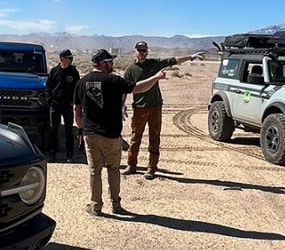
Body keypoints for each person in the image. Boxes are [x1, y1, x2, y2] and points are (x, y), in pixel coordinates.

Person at [74, 49, 163, 216]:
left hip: (90, 135)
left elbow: (77, 112)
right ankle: (116, 205)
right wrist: (156, 78)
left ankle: (96, 206)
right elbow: (138, 88)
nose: (112, 64)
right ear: (102, 63)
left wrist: (81, 128)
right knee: (113, 170)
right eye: (110, 61)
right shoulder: (114, 80)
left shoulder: (81, 82)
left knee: (94, 171)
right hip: (111, 136)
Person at [122, 41, 204, 179]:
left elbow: (174, 60)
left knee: (154, 138)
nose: (141, 53)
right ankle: (131, 165)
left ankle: (152, 168)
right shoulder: (130, 70)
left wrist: (191, 56)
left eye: (144, 50)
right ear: (134, 51)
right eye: (139, 50)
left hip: (155, 107)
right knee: (136, 138)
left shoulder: (154, 64)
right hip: (139, 109)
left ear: (147, 52)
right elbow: (124, 89)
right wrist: (122, 104)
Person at [45, 50, 80, 160]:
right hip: (55, 105)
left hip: (67, 106)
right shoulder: (54, 71)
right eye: (68, 58)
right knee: (54, 129)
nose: (70, 60)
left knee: (68, 130)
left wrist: (74, 102)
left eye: (71, 58)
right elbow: (48, 87)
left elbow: (77, 88)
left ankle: (69, 154)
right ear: (62, 59)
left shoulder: (74, 72)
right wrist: (49, 100)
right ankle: (52, 153)